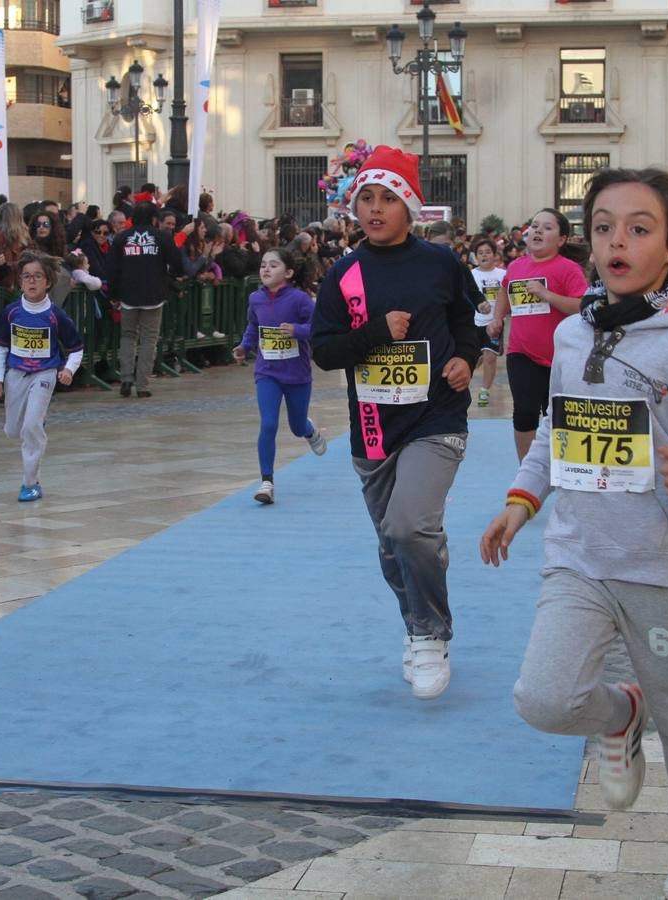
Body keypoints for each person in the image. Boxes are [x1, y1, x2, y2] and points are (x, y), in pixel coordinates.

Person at [480, 167, 668, 900]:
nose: (617, 240)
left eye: (639, 228)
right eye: (604, 226)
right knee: (543, 700)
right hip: (577, 556)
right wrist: (521, 499)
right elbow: (556, 425)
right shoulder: (575, 332)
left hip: (660, 567)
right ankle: (620, 711)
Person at [310, 145, 479, 701]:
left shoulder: (441, 264)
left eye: (388, 198)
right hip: (374, 425)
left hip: (437, 416)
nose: (375, 209)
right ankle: (415, 626)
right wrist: (378, 332)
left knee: (409, 527)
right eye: (366, 198)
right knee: (393, 541)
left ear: (410, 207)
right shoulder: (344, 274)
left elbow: (467, 323)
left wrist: (466, 360)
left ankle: (432, 634)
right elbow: (326, 352)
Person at [489, 208, 589, 460]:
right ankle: (527, 469)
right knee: (523, 411)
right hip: (521, 352)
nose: (537, 231)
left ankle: (563, 466)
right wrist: (497, 317)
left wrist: (547, 295)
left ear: (562, 239)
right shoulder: (516, 266)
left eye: (546, 227)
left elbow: (583, 307)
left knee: (556, 414)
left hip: (561, 356)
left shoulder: (568, 269)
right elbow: (504, 291)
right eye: (534, 226)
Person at [0, 252, 85, 502]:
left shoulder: (56, 315)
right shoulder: (11, 312)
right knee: (14, 430)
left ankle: (29, 484)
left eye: (38, 277)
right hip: (15, 374)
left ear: (48, 282)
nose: (32, 282)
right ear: (20, 281)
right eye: (27, 277)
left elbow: (76, 348)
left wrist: (68, 370)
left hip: (45, 373)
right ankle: (35, 425)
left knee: (31, 427)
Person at [233, 248, 328, 504]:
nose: (265, 269)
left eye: (273, 265)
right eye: (263, 264)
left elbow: (318, 328)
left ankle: (309, 431)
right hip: (267, 372)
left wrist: (297, 330)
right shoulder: (256, 299)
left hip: (297, 374)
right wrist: (244, 346)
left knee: (296, 426)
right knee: (268, 423)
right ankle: (267, 481)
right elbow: (254, 327)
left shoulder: (299, 300)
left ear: (287, 272)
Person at [104, 200, 185, 398]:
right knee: (149, 339)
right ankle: (142, 385)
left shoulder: (122, 238)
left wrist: (113, 294)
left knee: (128, 337)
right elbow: (178, 263)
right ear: (154, 219)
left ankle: (125, 379)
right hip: (154, 295)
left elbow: (111, 269)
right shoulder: (162, 237)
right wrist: (170, 277)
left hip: (127, 295)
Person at [469, 237, 506, 406]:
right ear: (476, 256)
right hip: (475, 323)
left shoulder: (503, 275)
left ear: (494, 255)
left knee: (490, 356)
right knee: (474, 359)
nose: (484, 256)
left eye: (488, 252)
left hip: (495, 323)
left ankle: (484, 391)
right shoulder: (471, 275)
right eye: (480, 253)